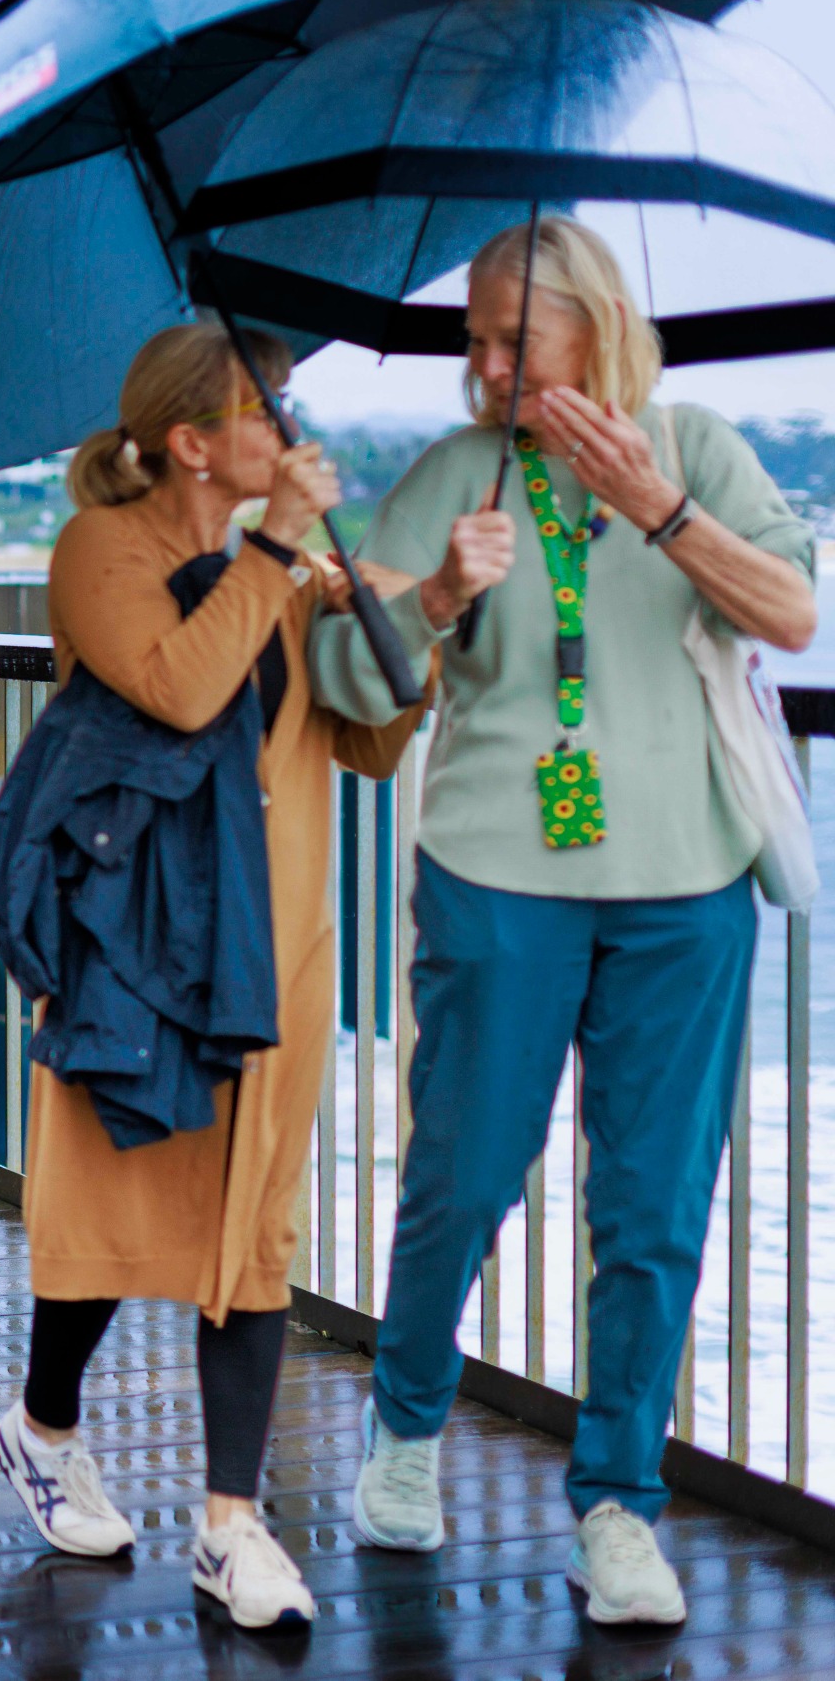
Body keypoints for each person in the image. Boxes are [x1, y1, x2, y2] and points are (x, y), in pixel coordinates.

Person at [312, 215, 817, 1627]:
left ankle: (617, 1505)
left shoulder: (700, 445)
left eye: (508, 340)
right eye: (471, 339)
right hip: (493, 869)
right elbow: (352, 675)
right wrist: (444, 592)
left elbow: (790, 609)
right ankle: (406, 1426)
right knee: (466, 1174)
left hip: (686, 883)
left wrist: (660, 506)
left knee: (653, 1208)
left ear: (593, 327)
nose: (482, 365)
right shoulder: (452, 473)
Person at [0, 323, 433, 1631]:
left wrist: (420, 611)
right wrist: (281, 553)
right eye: (264, 405)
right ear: (192, 440)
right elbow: (180, 686)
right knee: (109, 1212)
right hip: (131, 940)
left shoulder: (277, 568)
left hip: (269, 943)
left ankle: (232, 1525)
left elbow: (371, 738)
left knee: (252, 1232)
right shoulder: (100, 552)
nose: (288, 429)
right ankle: (42, 1421)